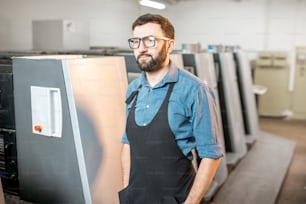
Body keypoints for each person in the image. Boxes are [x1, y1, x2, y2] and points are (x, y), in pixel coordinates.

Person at [119, 13, 223, 204]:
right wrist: (127, 189)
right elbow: (127, 144)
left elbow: (211, 155)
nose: (141, 48)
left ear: (170, 45)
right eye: (136, 41)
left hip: (176, 198)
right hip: (136, 198)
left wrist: (191, 202)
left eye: (150, 41)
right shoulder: (133, 89)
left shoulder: (195, 90)